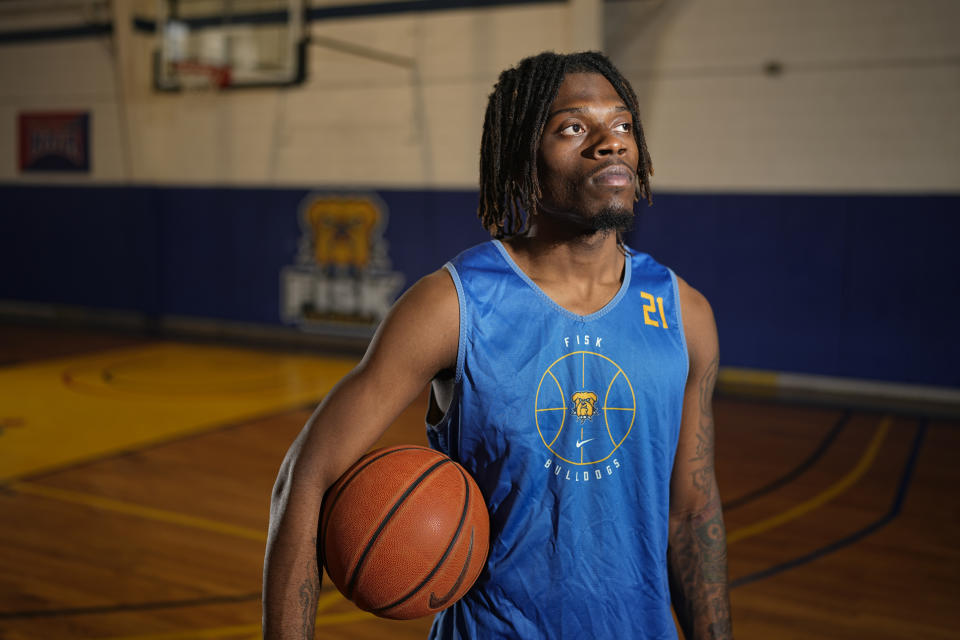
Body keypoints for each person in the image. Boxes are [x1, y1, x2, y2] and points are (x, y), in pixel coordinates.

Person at [263, 51, 732, 639]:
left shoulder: (684, 314)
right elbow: (304, 478)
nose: (609, 142)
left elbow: (691, 517)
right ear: (524, 160)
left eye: (622, 125)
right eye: (572, 127)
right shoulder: (451, 307)